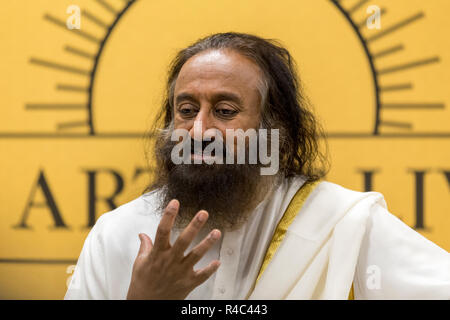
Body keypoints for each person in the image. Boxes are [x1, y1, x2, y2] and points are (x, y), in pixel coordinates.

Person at [65, 32, 449, 300]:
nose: (199, 130)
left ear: (273, 127)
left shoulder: (342, 223)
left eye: (225, 111)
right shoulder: (118, 234)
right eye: (186, 111)